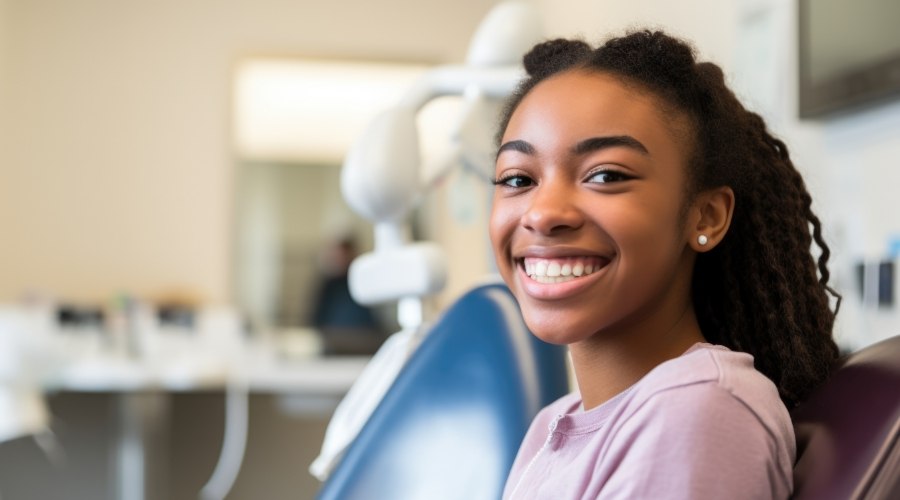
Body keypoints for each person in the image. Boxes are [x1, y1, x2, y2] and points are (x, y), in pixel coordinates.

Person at [490, 30, 840, 499]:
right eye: (518, 178)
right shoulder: (551, 425)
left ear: (707, 216)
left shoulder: (697, 409)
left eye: (606, 175)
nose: (543, 213)